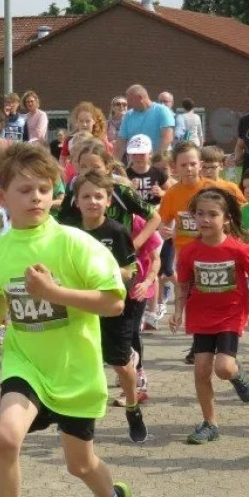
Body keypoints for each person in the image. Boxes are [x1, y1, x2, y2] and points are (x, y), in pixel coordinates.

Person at [0, 142, 131, 497]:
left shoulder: (74, 243)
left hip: (74, 370)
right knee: (4, 438)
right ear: (2, 197)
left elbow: (115, 302)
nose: (36, 197)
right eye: (24, 190)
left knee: (79, 464)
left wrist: (55, 294)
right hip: (27, 364)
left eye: (44, 188)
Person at [170, 188, 249, 443]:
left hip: (230, 314)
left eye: (213, 214)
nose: (205, 220)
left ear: (227, 219)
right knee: (201, 370)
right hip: (201, 316)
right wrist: (178, 311)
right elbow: (184, 284)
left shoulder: (238, 249)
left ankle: (236, 374)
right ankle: (210, 423)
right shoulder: (189, 251)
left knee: (223, 368)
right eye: (200, 214)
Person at [65, 169, 148, 443]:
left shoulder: (116, 231)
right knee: (81, 364)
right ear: (76, 201)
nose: (92, 201)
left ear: (109, 201)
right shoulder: (70, 232)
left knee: (121, 366)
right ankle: (78, 418)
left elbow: (130, 270)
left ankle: (133, 408)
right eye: (86, 196)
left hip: (114, 307)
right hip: (80, 307)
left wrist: (103, 272)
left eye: (99, 196)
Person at [115, 85, 175, 158]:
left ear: (140, 98)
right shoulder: (128, 115)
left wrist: (154, 159)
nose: (128, 104)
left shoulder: (162, 111)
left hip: (159, 161)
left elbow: (167, 138)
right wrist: (114, 164)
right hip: (136, 162)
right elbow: (121, 142)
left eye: (130, 100)